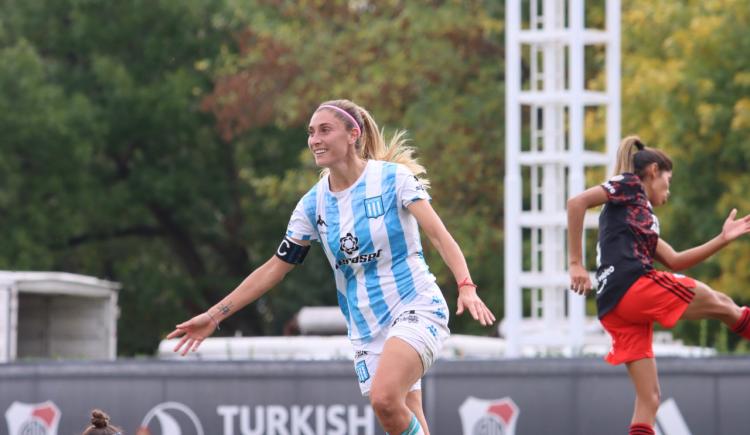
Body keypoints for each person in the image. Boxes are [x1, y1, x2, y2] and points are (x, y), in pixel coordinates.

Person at [168, 99, 495, 435]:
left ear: (353, 134)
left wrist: (465, 285)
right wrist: (214, 315)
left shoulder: (393, 179)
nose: (315, 140)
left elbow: (439, 237)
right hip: (366, 328)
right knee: (401, 413)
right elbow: (274, 269)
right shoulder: (313, 204)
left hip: (415, 306)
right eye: (311, 133)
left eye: (325, 130)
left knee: (384, 398)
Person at [567, 135, 750, 435]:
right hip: (633, 288)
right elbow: (576, 203)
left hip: (615, 308)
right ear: (653, 171)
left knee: (649, 399)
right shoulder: (629, 185)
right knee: (723, 304)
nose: (669, 189)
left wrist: (722, 239)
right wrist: (575, 263)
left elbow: (675, 260)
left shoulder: (636, 216)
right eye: (668, 180)